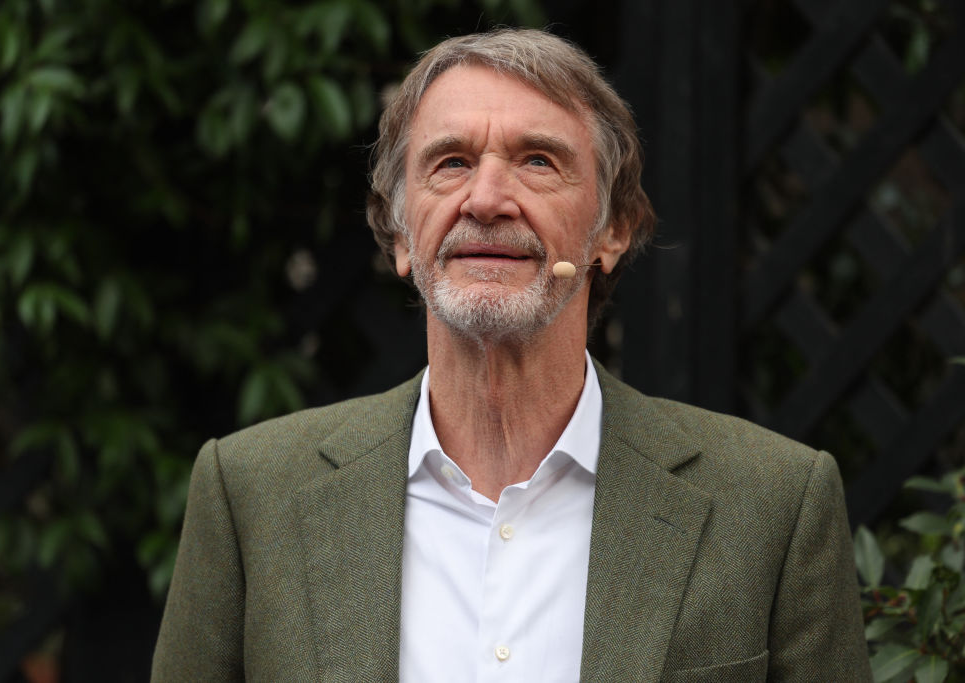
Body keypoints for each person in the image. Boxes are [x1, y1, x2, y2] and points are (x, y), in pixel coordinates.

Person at [152, 28, 871, 682]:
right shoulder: (251, 493)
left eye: (537, 161)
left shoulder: (775, 503)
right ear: (402, 235)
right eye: (451, 162)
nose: (488, 198)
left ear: (612, 230)